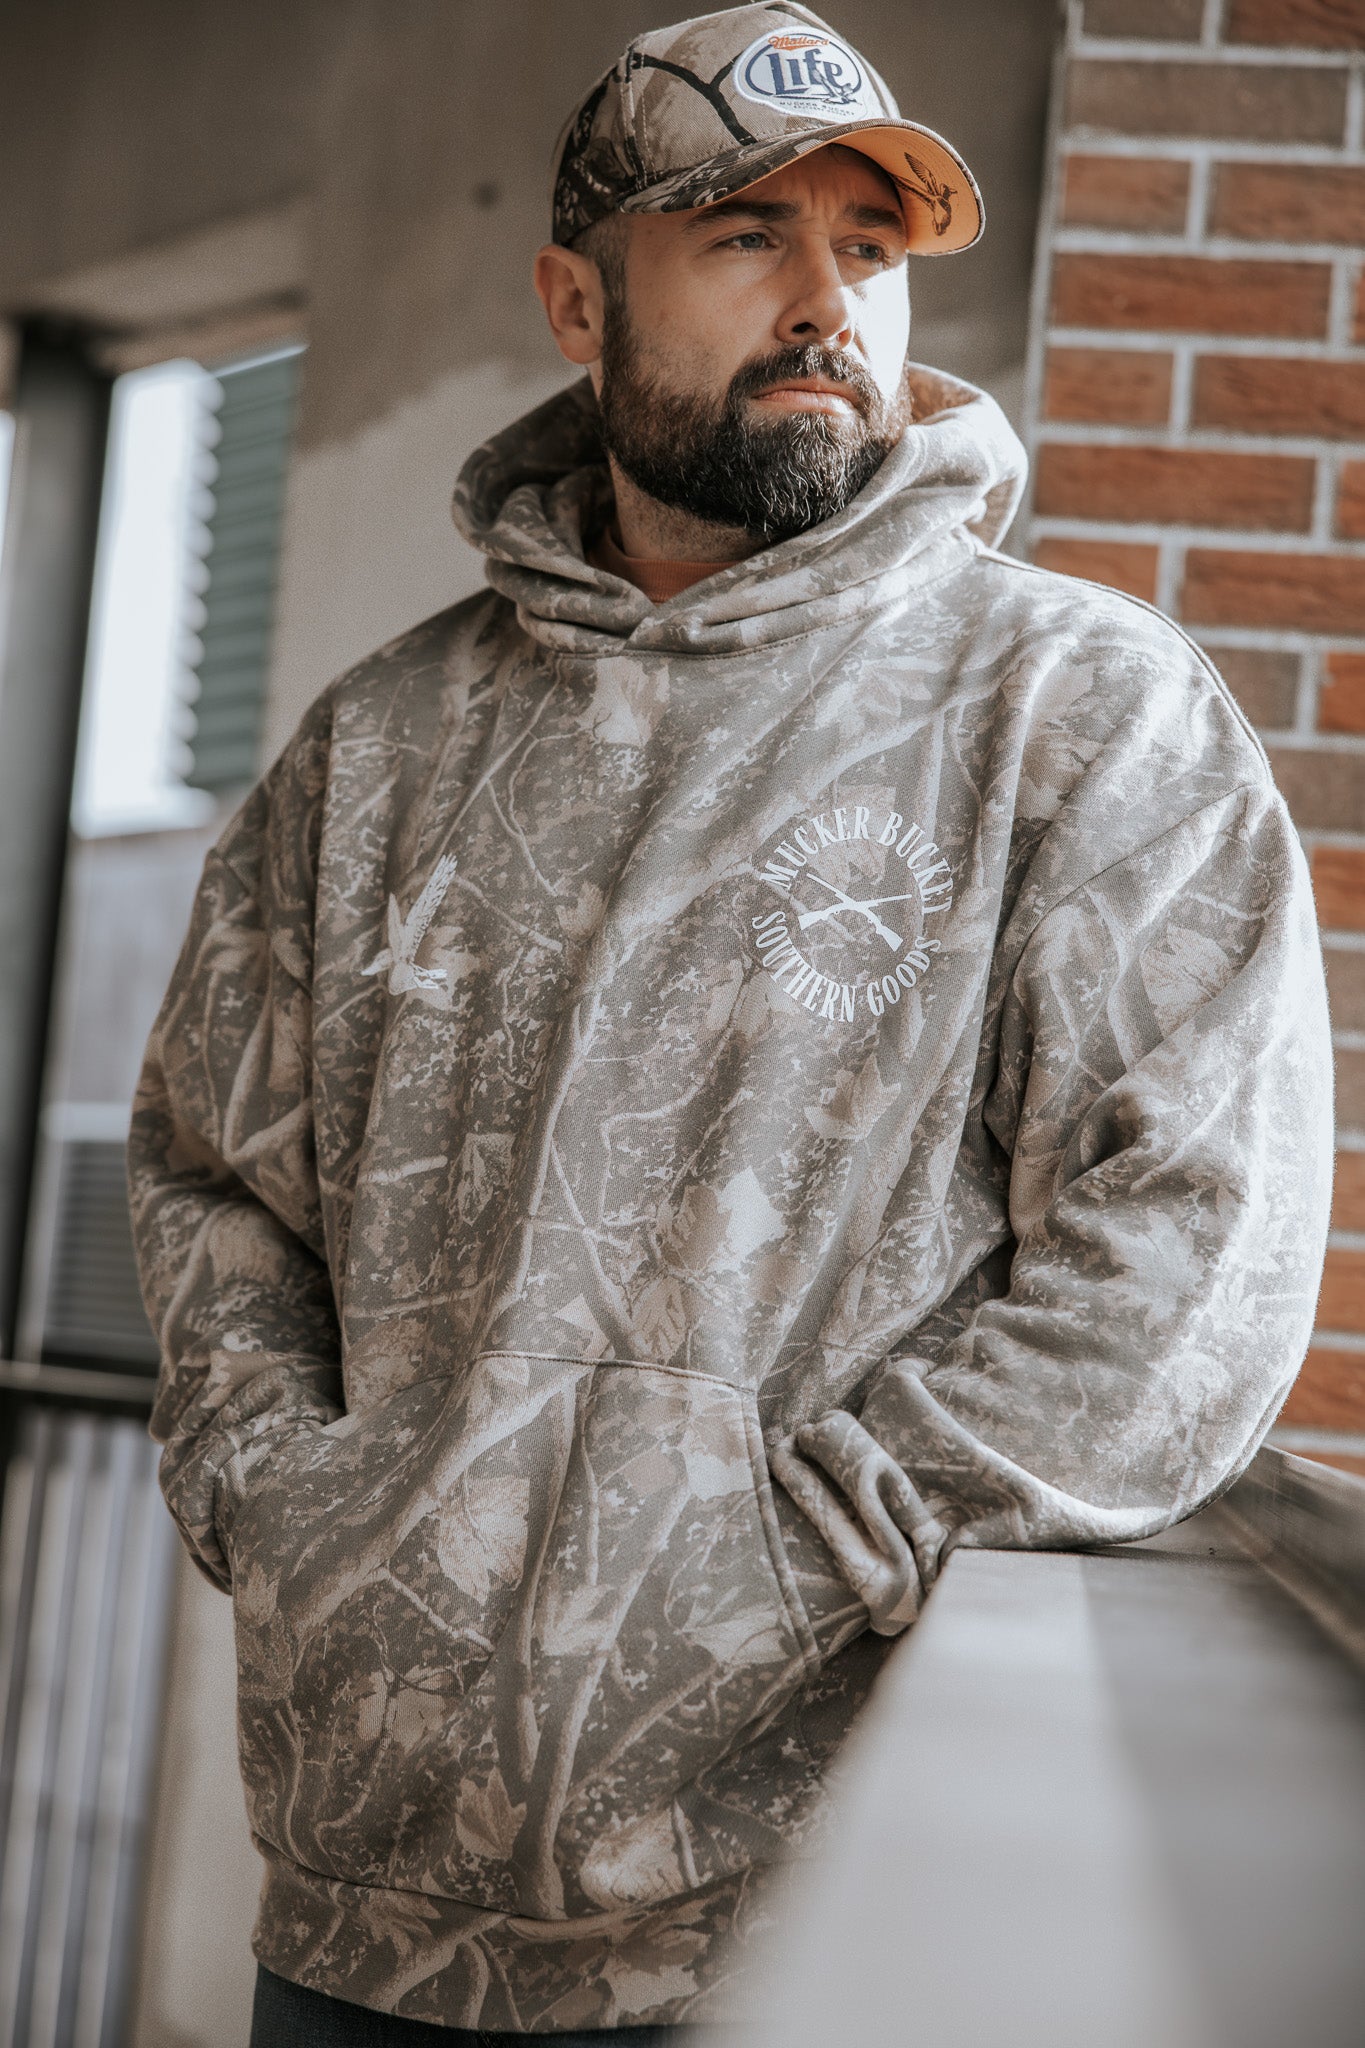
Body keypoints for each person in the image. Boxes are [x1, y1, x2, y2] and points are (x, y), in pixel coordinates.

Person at [128, 4, 1334, 2043]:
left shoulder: (1070, 714)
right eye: (743, 241)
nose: (822, 306)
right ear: (575, 304)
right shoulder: (381, 747)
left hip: (788, 1905)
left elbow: (1187, 1237)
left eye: (865, 252)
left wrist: (807, 1553)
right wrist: (298, 1517)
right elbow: (211, 1182)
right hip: (353, 1903)